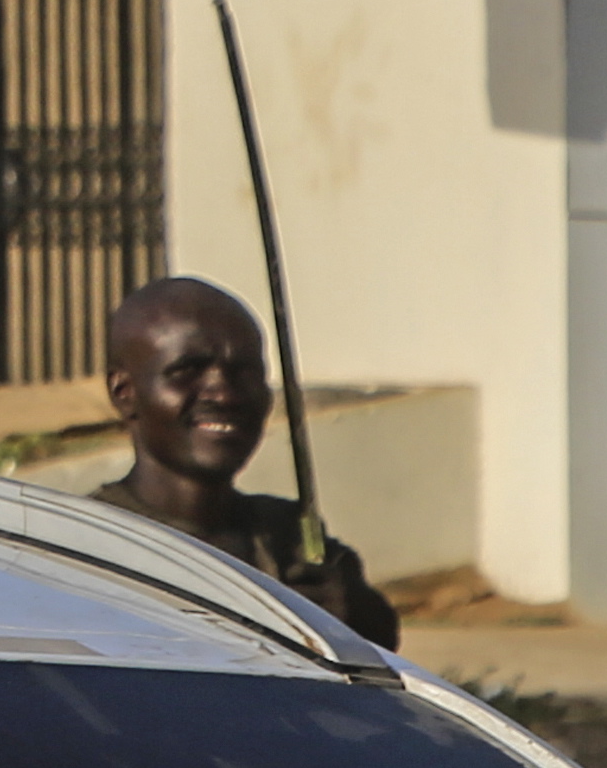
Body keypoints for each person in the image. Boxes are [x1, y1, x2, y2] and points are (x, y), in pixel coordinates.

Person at [94, 277, 396, 648]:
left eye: (246, 373)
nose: (224, 393)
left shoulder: (291, 540)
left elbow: (382, 646)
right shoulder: (84, 545)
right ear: (124, 392)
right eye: (188, 370)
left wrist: (349, 623)